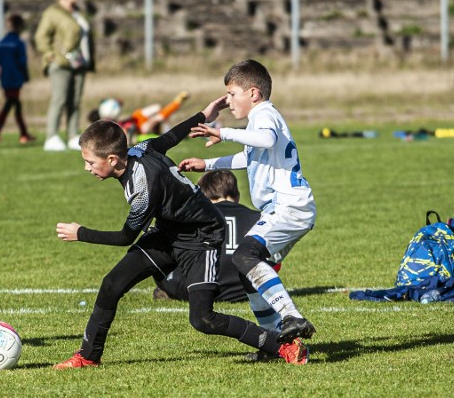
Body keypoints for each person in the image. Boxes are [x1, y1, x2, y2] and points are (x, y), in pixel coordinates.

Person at [52, 110, 310, 370]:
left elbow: (125, 237)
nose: (86, 168)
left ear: (111, 158)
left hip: (202, 237)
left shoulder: (144, 189)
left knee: (203, 319)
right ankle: (88, 356)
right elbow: (170, 137)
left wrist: (80, 233)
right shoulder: (139, 150)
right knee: (112, 284)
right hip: (168, 232)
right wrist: (203, 114)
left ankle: (282, 345)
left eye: (89, 161)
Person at [179, 59, 317, 346]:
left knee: (244, 255)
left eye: (231, 94)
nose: (228, 102)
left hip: (288, 205)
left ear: (253, 93)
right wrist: (206, 164)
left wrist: (224, 132)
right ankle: (278, 341)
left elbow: (265, 140)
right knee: (247, 270)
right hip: (287, 207)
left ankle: (291, 316)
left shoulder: (264, 115)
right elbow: (249, 156)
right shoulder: (261, 118)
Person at [153, 170, 285, 356]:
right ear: (237, 195)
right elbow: (273, 261)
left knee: (161, 266)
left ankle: (165, 290)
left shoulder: (196, 218)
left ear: (203, 196)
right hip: (243, 291)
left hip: (199, 291)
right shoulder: (260, 219)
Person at [35, 0, 94, 152]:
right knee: (59, 99)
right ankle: (51, 136)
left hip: (79, 63)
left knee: (75, 101)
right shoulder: (52, 12)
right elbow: (41, 36)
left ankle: (72, 135)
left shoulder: (78, 12)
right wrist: (50, 54)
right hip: (60, 63)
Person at [0, 13, 34, 143]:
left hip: (4, 79)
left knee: (13, 105)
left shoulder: (1, 43)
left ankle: (23, 133)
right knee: (12, 105)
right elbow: (22, 62)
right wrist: (26, 77)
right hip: (15, 79)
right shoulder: (18, 43)